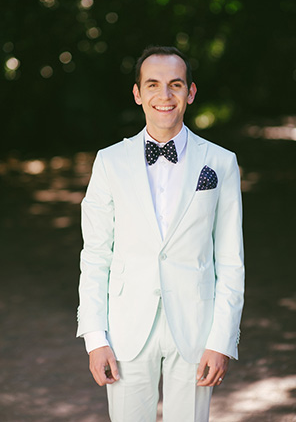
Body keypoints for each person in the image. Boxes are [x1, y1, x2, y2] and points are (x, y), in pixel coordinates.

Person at [76, 45, 245, 422]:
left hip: (196, 330)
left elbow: (231, 261)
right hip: (125, 331)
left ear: (191, 92)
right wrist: (95, 338)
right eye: (153, 85)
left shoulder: (220, 162)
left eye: (175, 85)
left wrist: (221, 341)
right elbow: (95, 255)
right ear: (138, 94)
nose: (164, 96)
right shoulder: (109, 162)